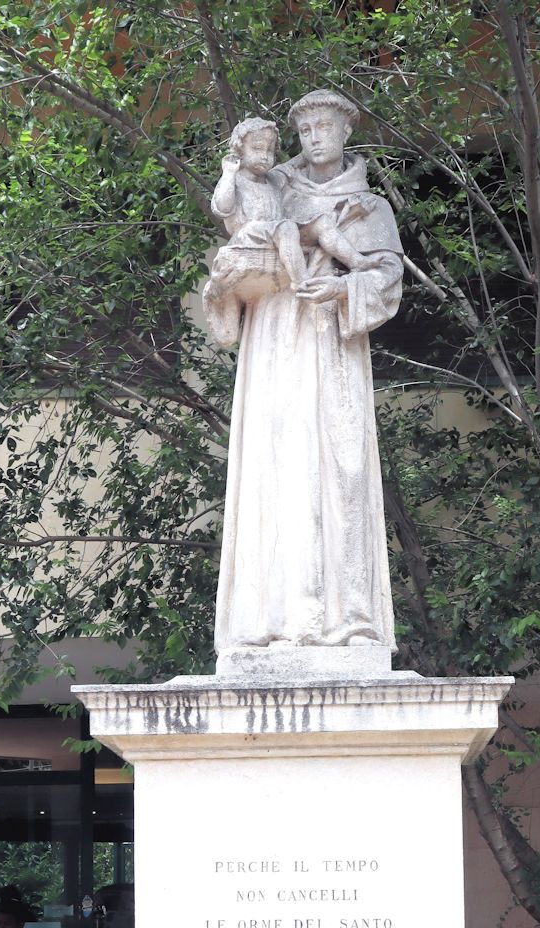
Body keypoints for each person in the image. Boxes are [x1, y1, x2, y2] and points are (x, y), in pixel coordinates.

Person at [204, 89, 404, 656]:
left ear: (346, 133)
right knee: (275, 466)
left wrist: (343, 287)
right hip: (273, 343)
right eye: (306, 128)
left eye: (326, 127)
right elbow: (237, 249)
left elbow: (387, 277)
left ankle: (346, 621)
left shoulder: (370, 206)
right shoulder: (270, 189)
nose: (316, 137)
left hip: (333, 344)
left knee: (338, 469)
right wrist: (222, 286)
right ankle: (267, 621)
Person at [208, 116, 374, 304]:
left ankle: (358, 263)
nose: (264, 155)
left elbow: (293, 164)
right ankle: (302, 281)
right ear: (239, 151)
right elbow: (222, 208)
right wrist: (229, 173)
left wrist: (315, 147)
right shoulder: (235, 180)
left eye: (269, 150)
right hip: (248, 234)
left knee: (321, 223)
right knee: (287, 227)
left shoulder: (273, 180)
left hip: (277, 234)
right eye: (257, 148)